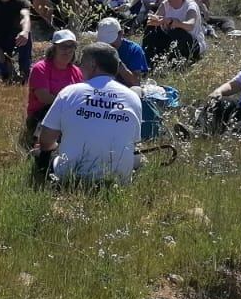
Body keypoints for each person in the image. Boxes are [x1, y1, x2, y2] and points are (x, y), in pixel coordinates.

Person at [33, 43, 144, 187]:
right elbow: (134, 143)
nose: (79, 67)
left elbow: (46, 141)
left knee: (39, 152)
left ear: (92, 65)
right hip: (117, 180)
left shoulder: (70, 92)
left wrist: (57, 147)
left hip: (70, 176)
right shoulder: (132, 97)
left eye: (82, 62)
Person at [25, 29, 84, 144]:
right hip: (41, 116)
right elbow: (44, 98)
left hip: (69, 115)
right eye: (63, 46)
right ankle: (40, 147)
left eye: (71, 46)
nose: (67, 51)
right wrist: (70, 103)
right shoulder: (41, 68)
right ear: (54, 49)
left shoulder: (76, 72)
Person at [142, 0, 206, 64]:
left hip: (192, 43)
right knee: (151, 26)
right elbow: (156, 18)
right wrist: (155, 20)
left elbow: (190, 25)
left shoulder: (191, 6)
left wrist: (175, 22)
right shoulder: (166, 4)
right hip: (171, 40)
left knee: (178, 31)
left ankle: (170, 62)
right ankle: (145, 57)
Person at [93, 17, 149, 88]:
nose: (108, 46)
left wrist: (118, 63)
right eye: (105, 43)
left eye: (111, 43)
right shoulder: (97, 49)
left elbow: (136, 83)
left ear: (121, 33)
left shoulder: (134, 50)